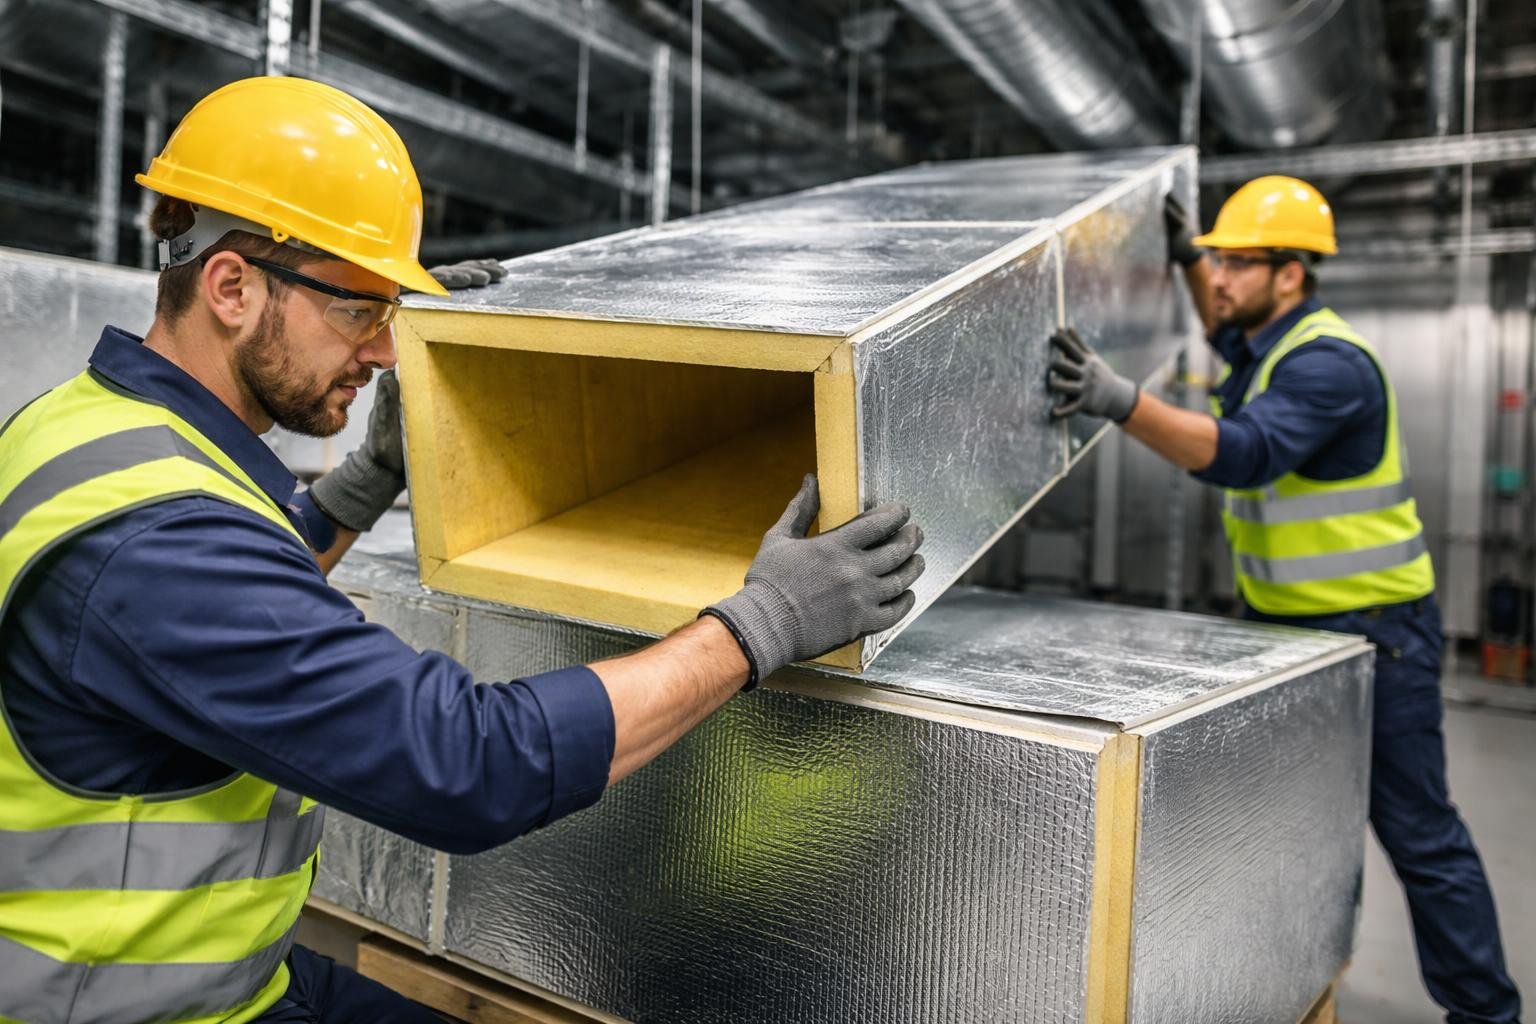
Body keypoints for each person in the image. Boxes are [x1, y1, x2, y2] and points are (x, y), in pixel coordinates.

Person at [0, 77, 925, 1023]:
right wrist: (762, 623)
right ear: (232, 287)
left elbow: (238, 584)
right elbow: (471, 764)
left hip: (227, 977)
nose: (388, 352)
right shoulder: (160, 541)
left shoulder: (94, 430)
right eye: (359, 309)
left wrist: (372, 472)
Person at [1047, 176, 1520, 1024]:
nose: (1221, 279)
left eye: (1239, 262)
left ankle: (1484, 1013)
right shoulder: (1267, 343)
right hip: (1290, 630)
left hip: (1379, 636)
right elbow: (1224, 328)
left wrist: (1119, 402)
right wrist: (1195, 256)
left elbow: (1244, 454)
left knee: (1418, 833)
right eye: (1219, 260)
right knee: (1290, 816)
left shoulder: (1328, 364)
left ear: (1292, 272)